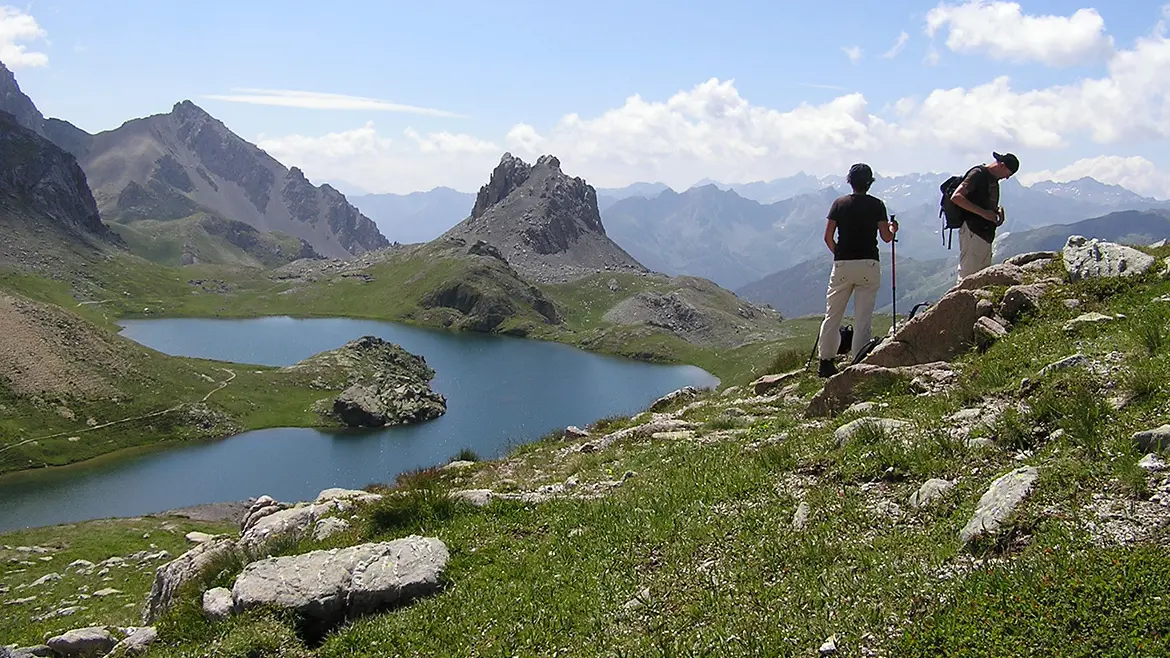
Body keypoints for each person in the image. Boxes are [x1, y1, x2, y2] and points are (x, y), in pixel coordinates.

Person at [816, 163, 898, 378]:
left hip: (843, 264)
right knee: (863, 317)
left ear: (849, 181)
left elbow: (827, 237)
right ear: (869, 182)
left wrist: (839, 254)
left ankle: (825, 362)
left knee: (832, 314)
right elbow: (887, 238)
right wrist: (892, 228)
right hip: (868, 264)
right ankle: (858, 361)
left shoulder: (839, 204)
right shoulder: (877, 205)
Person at [950, 152, 1020, 281]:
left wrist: (996, 212)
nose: (1007, 178)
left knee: (981, 275)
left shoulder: (992, 179)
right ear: (1002, 166)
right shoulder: (978, 174)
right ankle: (961, 299)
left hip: (985, 233)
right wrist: (984, 213)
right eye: (1008, 174)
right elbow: (957, 197)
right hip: (973, 230)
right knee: (968, 274)